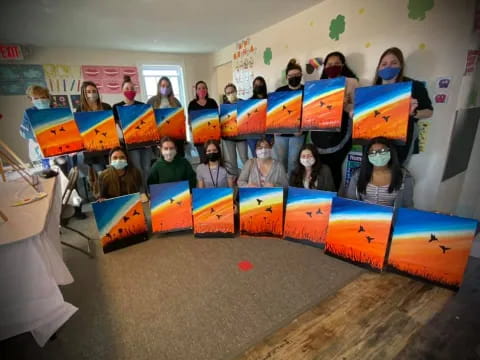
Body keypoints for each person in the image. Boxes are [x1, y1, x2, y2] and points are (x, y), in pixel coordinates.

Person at [373, 47, 433, 164]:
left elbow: (429, 112)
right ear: (378, 68)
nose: (388, 67)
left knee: (395, 173)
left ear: (401, 66)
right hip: (374, 142)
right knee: (371, 173)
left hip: (401, 142)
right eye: (384, 64)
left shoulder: (414, 86)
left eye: (393, 63)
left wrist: (413, 113)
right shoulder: (371, 90)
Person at [311, 51, 359, 190]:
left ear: (343, 65)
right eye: (330, 64)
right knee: (319, 167)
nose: (333, 66)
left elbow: (356, 109)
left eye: (337, 63)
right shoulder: (318, 86)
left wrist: (344, 106)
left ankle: (333, 197)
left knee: (335, 168)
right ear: (325, 67)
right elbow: (313, 109)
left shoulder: (351, 82)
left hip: (340, 132)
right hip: (320, 133)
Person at [344, 137, 413, 208]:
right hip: (362, 216)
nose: (377, 155)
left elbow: (407, 206)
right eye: (372, 152)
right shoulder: (358, 175)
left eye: (382, 150)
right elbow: (350, 201)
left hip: (391, 217)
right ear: (367, 155)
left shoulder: (404, 177)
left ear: (390, 152)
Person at [112, 75, 152, 191]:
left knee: (147, 168)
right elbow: (116, 126)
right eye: (127, 88)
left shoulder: (142, 105)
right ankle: (142, 192)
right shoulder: (116, 107)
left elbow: (147, 124)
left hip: (145, 143)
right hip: (130, 144)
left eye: (132, 88)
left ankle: (149, 191)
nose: (130, 91)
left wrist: (150, 138)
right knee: (137, 168)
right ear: (122, 90)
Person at [273, 59, 305, 175]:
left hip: (298, 134)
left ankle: (291, 188)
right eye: (291, 75)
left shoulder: (306, 91)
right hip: (280, 134)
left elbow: (310, 113)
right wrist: (274, 129)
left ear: (301, 75)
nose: (294, 77)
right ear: (287, 77)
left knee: (294, 163)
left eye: (297, 75)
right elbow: (274, 112)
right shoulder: (279, 91)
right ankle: (281, 188)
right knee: (279, 163)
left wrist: (302, 129)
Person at [147, 76, 185, 157]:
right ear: (159, 87)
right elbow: (147, 121)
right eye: (163, 86)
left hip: (175, 137)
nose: (165, 88)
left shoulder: (175, 101)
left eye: (168, 86)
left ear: (170, 88)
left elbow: (181, 119)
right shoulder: (152, 101)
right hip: (159, 138)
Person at [221, 83, 248, 178]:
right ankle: (233, 180)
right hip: (229, 137)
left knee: (245, 159)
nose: (230, 94)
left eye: (232, 92)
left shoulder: (244, 103)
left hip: (242, 136)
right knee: (231, 161)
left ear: (236, 91)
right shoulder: (224, 107)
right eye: (228, 93)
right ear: (226, 95)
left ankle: (246, 178)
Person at [188, 81, 218, 163]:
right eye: (199, 88)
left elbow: (216, 118)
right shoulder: (192, 104)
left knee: (214, 158)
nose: (202, 90)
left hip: (212, 137)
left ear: (207, 90)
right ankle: (204, 175)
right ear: (196, 91)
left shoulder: (212, 102)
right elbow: (190, 121)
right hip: (199, 137)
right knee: (203, 159)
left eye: (204, 88)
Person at [19, 85, 51, 163]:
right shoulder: (29, 113)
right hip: (38, 149)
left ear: (48, 98)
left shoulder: (57, 111)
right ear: (31, 100)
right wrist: (36, 130)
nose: (40, 100)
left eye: (43, 97)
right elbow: (24, 133)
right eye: (36, 98)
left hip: (56, 148)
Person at [246, 76, 273, 157]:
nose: (258, 86)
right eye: (256, 85)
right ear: (253, 87)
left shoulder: (271, 100)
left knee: (268, 156)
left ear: (264, 85)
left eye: (260, 84)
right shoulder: (249, 102)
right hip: (253, 135)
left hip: (268, 133)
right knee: (256, 157)